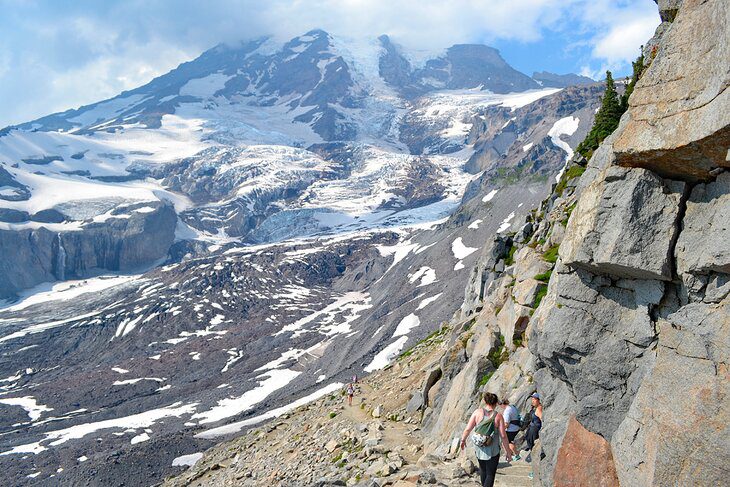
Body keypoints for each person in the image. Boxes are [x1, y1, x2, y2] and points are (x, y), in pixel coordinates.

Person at [460, 392, 512, 487]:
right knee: (490, 474)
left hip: (479, 449)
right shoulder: (498, 416)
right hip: (493, 450)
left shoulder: (477, 412)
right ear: (496, 403)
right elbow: (503, 436)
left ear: (485, 401)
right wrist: (508, 452)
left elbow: (468, 429)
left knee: (483, 470)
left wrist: (463, 440)